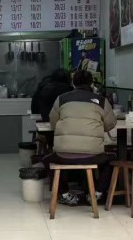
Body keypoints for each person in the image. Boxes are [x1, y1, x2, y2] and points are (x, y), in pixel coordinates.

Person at [48, 70, 117, 205]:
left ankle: (65, 194)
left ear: (73, 83)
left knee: (47, 160)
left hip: (63, 154)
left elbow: (53, 122)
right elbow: (110, 124)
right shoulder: (101, 101)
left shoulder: (61, 99)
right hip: (93, 155)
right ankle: (96, 194)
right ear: (91, 84)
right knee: (111, 160)